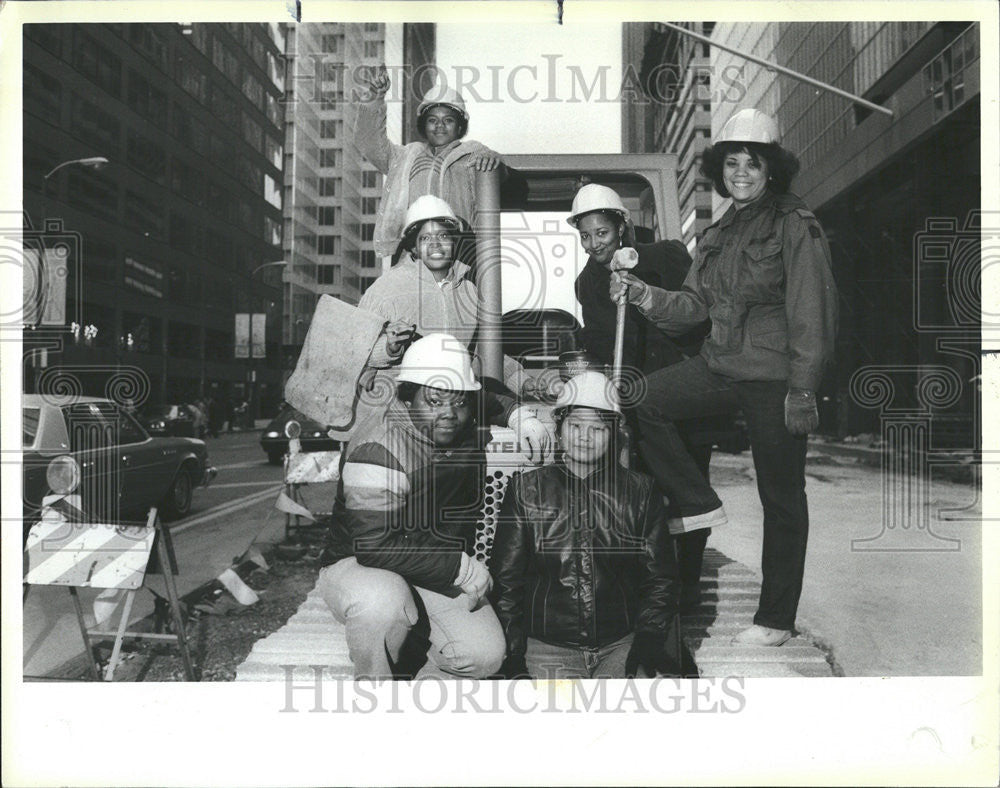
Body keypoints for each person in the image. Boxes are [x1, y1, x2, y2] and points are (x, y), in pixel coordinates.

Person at [611, 108, 838, 647]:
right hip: (719, 365)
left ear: (771, 170)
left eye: (752, 163)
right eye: (732, 162)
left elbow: (813, 309)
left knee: (781, 497)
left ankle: (775, 621)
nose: (741, 172)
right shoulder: (716, 234)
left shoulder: (794, 223)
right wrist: (644, 294)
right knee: (643, 400)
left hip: (773, 376)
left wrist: (804, 388)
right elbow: (693, 306)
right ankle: (696, 500)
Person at [319, 333, 505, 679]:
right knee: (383, 602)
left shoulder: (456, 410)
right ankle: (375, 692)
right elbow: (373, 546)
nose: (449, 414)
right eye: (434, 401)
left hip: (423, 558)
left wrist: (522, 415)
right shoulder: (377, 447)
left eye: (459, 402)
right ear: (407, 397)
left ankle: (415, 660)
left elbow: (491, 397)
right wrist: (459, 568)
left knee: (485, 656)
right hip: (360, 561)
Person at [566, 183, 714, 613]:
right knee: (648, 495)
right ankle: (656, 585)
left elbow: (695, 319)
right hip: (633, 398)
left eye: (602, 233)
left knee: (691, 490)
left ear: (622, 226)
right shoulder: (587, 283)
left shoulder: (667, 255)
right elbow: (598, 342)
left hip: (682, 389)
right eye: (586, 235)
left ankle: (688, 586)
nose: (594, 244)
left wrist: (642, 297)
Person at [490, 371, 693, 679]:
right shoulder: (526, 490)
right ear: (559, 428)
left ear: (614, 434)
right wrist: (512, 651)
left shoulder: (640, 492)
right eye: (575, 425)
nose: (584, 437)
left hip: (621, 645)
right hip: (549, 647)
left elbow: (661, 579)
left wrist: (648, 642)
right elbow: (507, 581)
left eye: (597, 428)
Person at [354, 194, 551, 462]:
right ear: (413, 246)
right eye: (425, 238)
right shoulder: (385, 290)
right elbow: (354, 355)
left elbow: (486, 355)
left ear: (454, 242)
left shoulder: (470, 292)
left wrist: (525, 382)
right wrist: (389, 347)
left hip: (452, 418)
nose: (435, 244)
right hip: (397, 420)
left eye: (443, 237)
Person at [355, 65, 504, 259]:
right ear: (424, 125)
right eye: (432, 120)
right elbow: (368, 142)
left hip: (458, 255)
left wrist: (494, 160)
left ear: (460, 126)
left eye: (448, 120)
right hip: (411, 255)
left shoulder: (473, 156)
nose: (439, 125)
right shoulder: (404, 157)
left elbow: (500, 180)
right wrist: (375, 98)